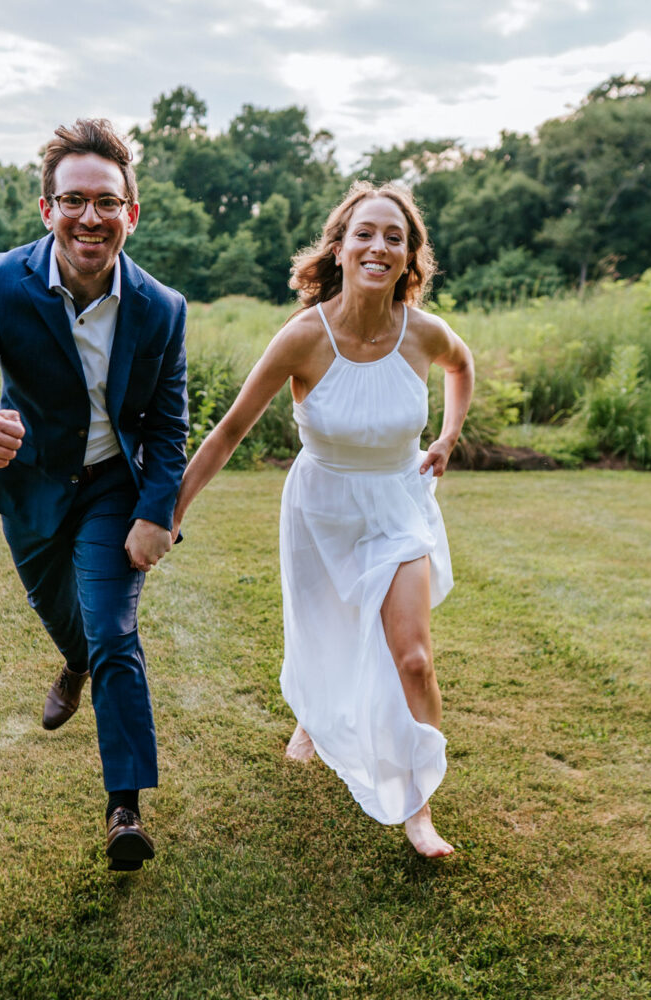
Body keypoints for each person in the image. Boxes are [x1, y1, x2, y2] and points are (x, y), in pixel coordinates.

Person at [173, 181, 473, 858]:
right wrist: (171, 512)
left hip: (399, 504)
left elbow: (462, 366)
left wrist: (447, 438)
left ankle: (417, 806)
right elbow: (228, 433)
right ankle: (312, 714)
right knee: (326, 636)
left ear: (409, 257)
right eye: (364, 233)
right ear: (338, 248)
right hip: (321, 510)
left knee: (414, 660)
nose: (378, 247)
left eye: (394, 237)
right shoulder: (304, 337)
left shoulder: (422, 333)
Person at [0, 119, 188, 872]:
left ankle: (124, 809)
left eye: (106, 202)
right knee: (65, 621)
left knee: (114, 631)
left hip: (114, 485)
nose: (90, 217)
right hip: (30, 484)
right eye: (72, 200)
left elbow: (169, 429)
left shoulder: (163, 309)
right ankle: (68, 663)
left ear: (130, 214)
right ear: (47, 210)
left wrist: (154, 514)